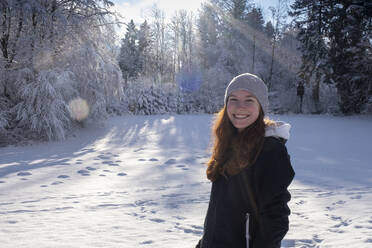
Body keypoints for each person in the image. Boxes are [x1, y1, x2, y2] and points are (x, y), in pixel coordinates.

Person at [196, 73, 295, 248]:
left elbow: (276, 219)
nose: (240, 107)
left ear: (261, 107)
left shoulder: (270, 150)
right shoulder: (228, 142)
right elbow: (218, 210)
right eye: (233, 99)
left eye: (249, 100)